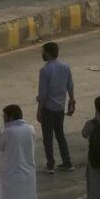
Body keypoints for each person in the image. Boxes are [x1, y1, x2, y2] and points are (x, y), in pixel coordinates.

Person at [0, 105, 38, 199]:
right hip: (28, 175)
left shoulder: (8, 132)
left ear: (11, 117)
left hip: (12, 176)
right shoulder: (30, 129)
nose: (3, 119)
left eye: (4, 117)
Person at [35, 42, 74, 172]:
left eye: (44, 52)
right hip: (60, 107)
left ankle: (50, 164)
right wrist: (72, 101)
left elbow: (43, 94)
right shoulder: (65, 67)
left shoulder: (45, 70)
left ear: (48, 53)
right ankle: (67, 161)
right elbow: (70, 85)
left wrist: (39, 110)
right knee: (60, 135)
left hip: (48, 108)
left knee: (48, 137)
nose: (43, 54)